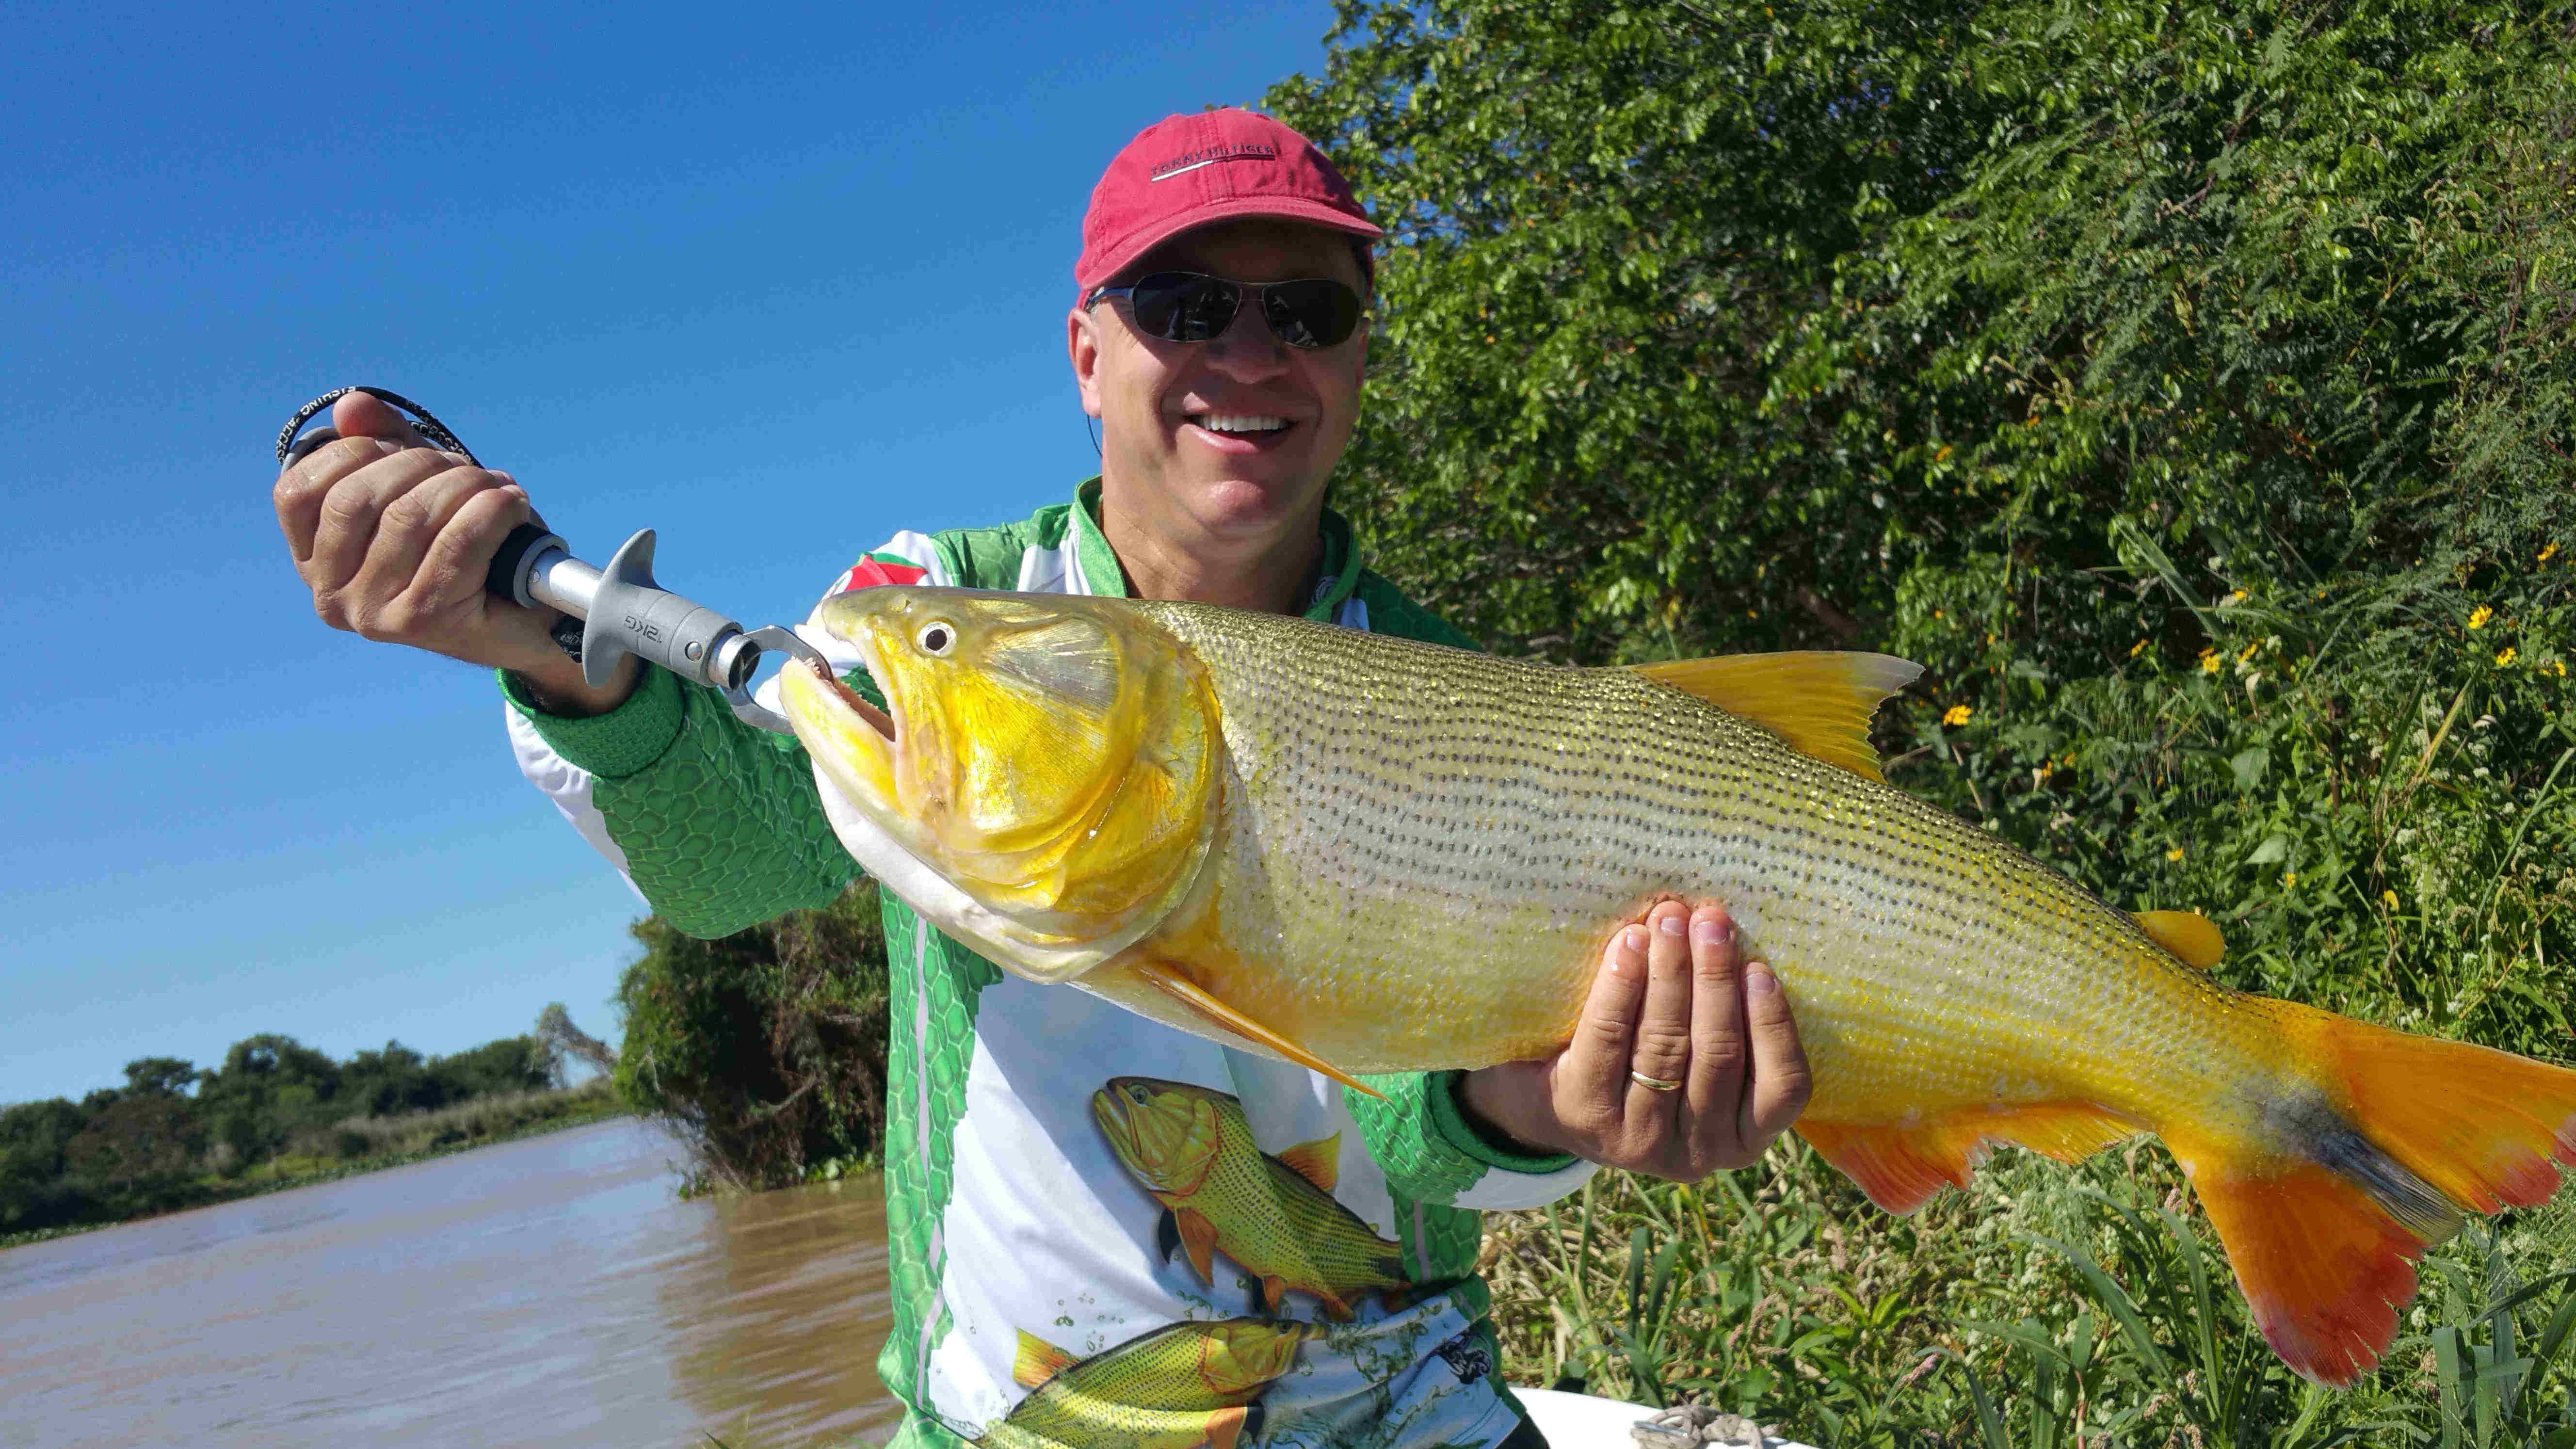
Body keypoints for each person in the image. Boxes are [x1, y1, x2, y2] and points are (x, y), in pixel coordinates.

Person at [274, 108, 1810, 1449]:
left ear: (1357, 357)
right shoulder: (932, 604)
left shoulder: (1445, 685)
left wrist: (1547, 1111)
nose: (1250, 353)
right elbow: (732, 860)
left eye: (1310, 310)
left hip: (1406, 1398)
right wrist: (553, 655)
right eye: (1184, 302)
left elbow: (1422, 1132)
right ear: (1086, 351)